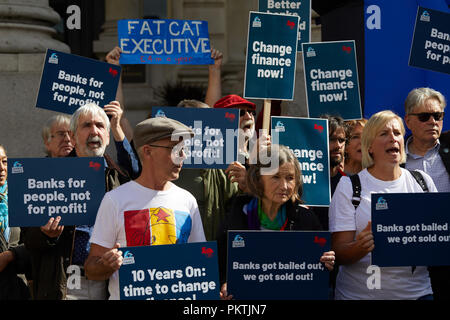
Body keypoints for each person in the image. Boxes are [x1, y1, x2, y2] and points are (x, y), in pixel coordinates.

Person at [84, 117, 206, 300]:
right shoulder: (115, 200)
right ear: (148, 152)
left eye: (185, 150)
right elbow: (91, 269)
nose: (183, 156)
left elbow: (200, 262)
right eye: (176, 149)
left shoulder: (187, 201)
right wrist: (106, 265)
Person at [329, 110, 436, 300]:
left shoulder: (423, 182)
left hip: (417, 294)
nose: (393, 139)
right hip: (358, 296)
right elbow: (339, 252)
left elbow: (438, 239)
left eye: (397, 133)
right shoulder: (349, 187)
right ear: (369, 146)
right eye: (384, 134)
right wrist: (360, 247)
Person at [217, 144, 335, 299]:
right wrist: (224, 284)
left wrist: (329, 262)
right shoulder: (237, 212)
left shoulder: (306, 219)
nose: (284, 186)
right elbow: (221, 263)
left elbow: (323, 275)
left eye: (290, 178)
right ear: (258, 179)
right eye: (275, 177)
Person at [404, 87, 450, 300]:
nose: (433, 121)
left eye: (438, 116)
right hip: (407, 254)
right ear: (408, 121)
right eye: (424, 116)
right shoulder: (393, 154)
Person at [0, 144, 31, 300]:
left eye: (4, 161)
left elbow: (34, 242)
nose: (2, 168)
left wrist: (10, 255)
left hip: (15, 290)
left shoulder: (20, 197)